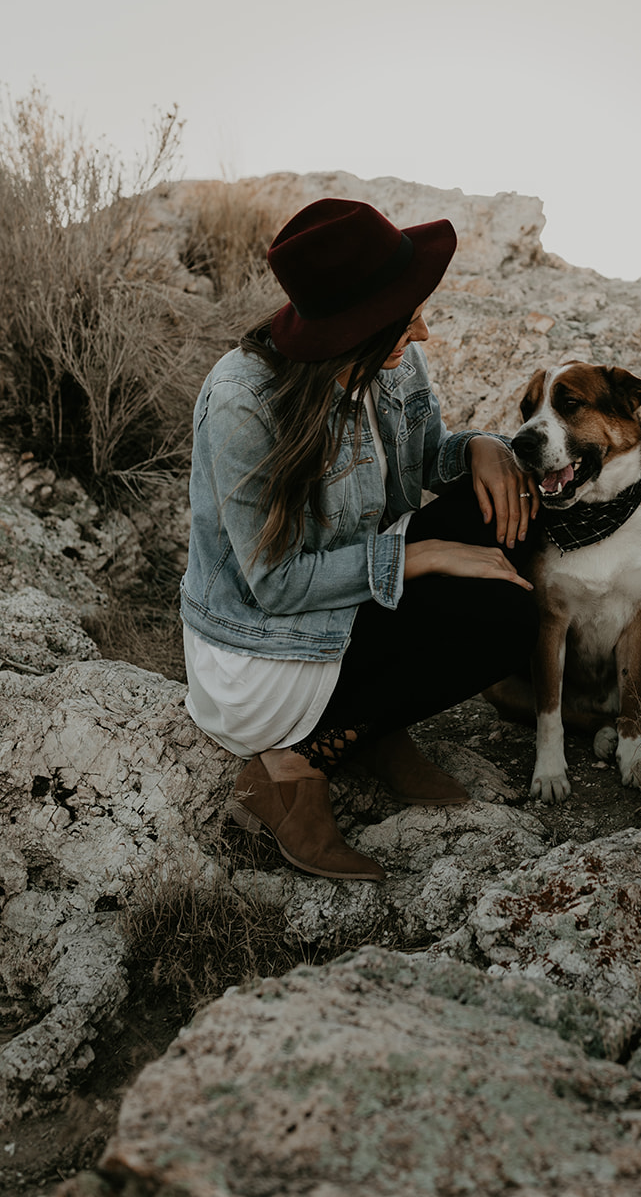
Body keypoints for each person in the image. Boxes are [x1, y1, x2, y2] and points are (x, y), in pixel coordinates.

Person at [180, 198, 540, 881]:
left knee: (507, 507)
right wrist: (419, 557)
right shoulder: (242, 400)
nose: (423, 331)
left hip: (347, 598)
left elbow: (429, 456)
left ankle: (373, 723)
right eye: (406, 316)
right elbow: (277, 583)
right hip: (264, 650)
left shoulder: (392, 363)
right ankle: (294, 768)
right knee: (507, 620)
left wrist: (481, 451)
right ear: (357, 325)